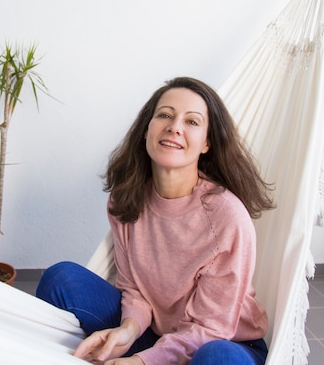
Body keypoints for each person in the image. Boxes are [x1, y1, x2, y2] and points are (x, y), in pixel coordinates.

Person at [36, 77, 275, 365]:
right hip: (154, 333)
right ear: (146, 129)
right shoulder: (125, 200)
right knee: (60, 278)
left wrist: (142, 361)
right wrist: (127, 330)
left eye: (192, 122)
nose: (175, 126)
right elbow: (134, 289)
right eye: (164, 115)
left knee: (217, 358)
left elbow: (212, 329)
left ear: (207, 143)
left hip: (222, 343)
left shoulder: (227, 218)